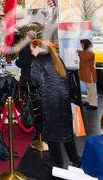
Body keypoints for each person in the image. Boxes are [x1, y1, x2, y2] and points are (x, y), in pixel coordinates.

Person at [29, 39, 81, 169]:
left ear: (38, 48)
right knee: (66, 130)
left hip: (50, 100)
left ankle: (56, 161)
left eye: (32, 49)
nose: (32, 52)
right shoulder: (56, 58)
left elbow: (36, 82)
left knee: (52, 131)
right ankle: (75, 159)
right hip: (63, 99)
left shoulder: (37, 61)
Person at [78, 39, 98, 109]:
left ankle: (94, 104)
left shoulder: (90, 51)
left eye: (82, 44)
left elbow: (85, 58)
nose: (82, 45)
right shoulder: (85, 51)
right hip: (86, 73)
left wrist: (79, 52)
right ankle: (89, 101)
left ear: (86, 44)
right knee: (88, 88)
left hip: (89, 73)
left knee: (91, 88)